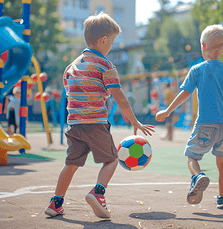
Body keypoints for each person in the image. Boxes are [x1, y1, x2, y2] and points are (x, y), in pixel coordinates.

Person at [44, 12, 155, 218]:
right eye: (111, 42)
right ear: (104, 40)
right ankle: (98, 192)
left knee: (71, 164)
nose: (111, 46)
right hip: (95, 122)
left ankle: (56, 202)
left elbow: (70, 93)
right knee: (112, 160)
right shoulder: (106, 65)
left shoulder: (72, 66)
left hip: (74, 124)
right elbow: (119, 96)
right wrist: (135, 121)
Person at [155, 24, 223, 209]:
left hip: (204, 124)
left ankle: (197, 176)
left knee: (191, 156)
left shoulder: (197, 70)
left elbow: (184, 93)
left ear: (202, 46)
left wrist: (167, 111)